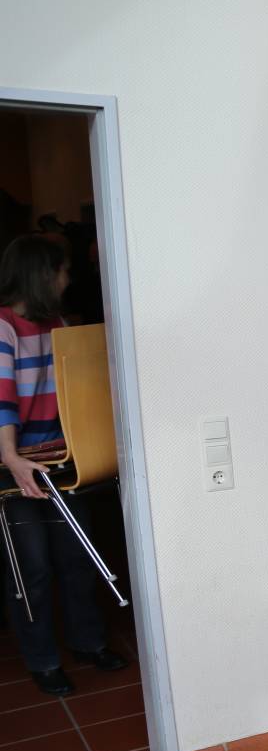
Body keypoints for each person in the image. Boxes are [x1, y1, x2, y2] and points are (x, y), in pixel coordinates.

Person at [0, 235, 126, 695]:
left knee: (77, 558)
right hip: (13, 465)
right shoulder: (4, 327)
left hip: (62, 461)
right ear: (43, 274)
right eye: (62, 269)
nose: (67, 277)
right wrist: (11, 458)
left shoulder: (59, 325)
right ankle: (42, 659)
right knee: (30, 568)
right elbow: (2, 401)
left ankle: (87, 642)